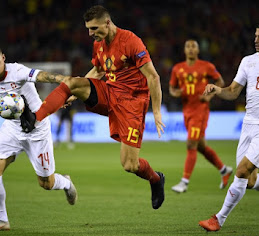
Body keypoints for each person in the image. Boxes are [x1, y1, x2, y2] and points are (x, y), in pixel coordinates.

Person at [20, 5, 166, 209]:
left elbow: (153, 76)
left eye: (94, 28)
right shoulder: (98, 44)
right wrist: (72, 93)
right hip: (109, 93)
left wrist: (156, 111)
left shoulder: (130, 41)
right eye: (88, 29)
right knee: (71, 82)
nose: (90, 33)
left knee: (130, 165)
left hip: (132, 103)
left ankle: (156, 180)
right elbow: (98, 71)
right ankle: (36, 117)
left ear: (107, 22)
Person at [0, 42, 77, 232]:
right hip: (12, 130)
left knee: (46, 183)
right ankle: (1, 220)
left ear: (3, 58)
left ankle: (66, 182)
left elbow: (41, 75)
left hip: (38, 130)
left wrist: (62, 78)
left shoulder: (17, 71)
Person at [199, 26, 259, 231]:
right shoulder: (248, 61)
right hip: (248, 125)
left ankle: (218, 219)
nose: (256, 40)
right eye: (255, 36)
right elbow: (233, 92)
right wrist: (217, 90)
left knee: (241, 170)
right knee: (249, 181)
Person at [169, 39, 233, 193]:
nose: (191, 49)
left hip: (200, 110)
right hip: (187, 111)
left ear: (198, 50)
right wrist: (176, 93)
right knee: (201, 146)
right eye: (188, 47)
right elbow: (172, 88)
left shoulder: (206, 67)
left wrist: (209, 97)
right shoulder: (178, 69)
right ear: (184, 50)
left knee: (191, 144)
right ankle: (224, 170)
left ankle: (184, 182)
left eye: (193, 47)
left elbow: (220, 81)